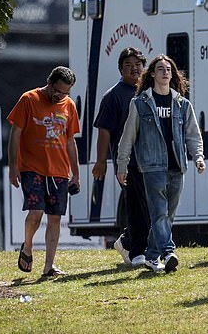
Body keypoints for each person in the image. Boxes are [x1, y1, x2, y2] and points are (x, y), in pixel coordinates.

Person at [117, 55, 205, 273]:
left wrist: (199, 157)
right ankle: (168, 252)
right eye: (161, 69)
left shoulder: (183, 104)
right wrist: (122, 165)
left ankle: (151, 256)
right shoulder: (140, 104)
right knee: (159, 212)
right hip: (152, 166)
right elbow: (127, 137)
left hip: (177, 166)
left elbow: (193, 134)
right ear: (153, 74)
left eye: (168, 69)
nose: (165, 72)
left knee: (169, 215)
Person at [8, 66, 80, 277]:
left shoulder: (69, 106)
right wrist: (13, 166)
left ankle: (49, 266)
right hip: (32, 167)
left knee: (55, 217)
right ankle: (28, 247)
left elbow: (69, 141)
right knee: (36, 212)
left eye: (65, 93)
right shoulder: (28, 99)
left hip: (59, 170)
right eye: (57, 91)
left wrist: (75, 174)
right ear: (49, 83)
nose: (60, 96)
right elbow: (15, 133)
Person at [92, 47, 149, 267]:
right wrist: (101, 161)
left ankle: (127, 241)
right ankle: (133, 246)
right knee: (137, 206)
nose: (134, 69)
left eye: (137, 65)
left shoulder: (149, 91)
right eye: (128, 66)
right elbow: (104, 131)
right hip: (127, 161)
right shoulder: (113, 96)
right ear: (120, 69)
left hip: (151, 161)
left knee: (150, 206)